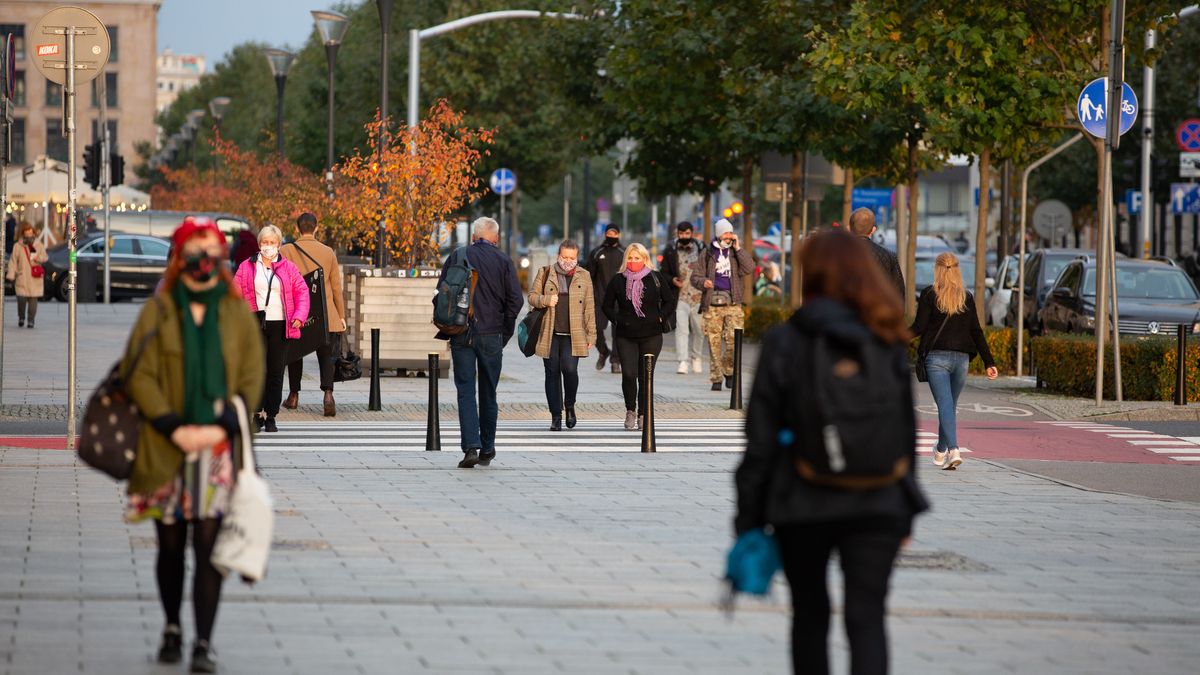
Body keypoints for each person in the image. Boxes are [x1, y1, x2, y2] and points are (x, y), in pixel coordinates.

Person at [734, 230, 928, 675]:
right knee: (867, 617)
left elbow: (760, 439)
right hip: (878, 498)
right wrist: (906, 504)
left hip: (803, 497)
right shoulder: (885, 336)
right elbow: (903, 428)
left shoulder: (785, 340)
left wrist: (749, 517)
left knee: (810, 615)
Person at [121, 217, 264, 673]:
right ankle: (171, 627)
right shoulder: (159, 309)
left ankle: (203, 640)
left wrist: (221, 425)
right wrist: (171, 425)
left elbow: (251, 374)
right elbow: (137, 371)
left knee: (207, 548)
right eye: (196, 253)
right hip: (166, 445)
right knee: (169, 546)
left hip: (217, 449)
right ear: (180, 257)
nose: (205, 263)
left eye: (213, 255)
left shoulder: (234, 310)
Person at [435, 217, 523, 469]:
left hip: (462, 331)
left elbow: (440, 292)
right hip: (491, 334)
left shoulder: (458, 256)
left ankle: (470, 446)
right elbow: (515, 301)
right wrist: (504, 332)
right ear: (495, 237)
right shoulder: (504, 261)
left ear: (474, 236)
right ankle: (488, 447)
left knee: (465, 390)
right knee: (488, 392)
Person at [910, 252, 998, 470]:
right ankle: (941, 450)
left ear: (937, 269)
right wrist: (989, 362)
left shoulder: (930, 295)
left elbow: (918, 328)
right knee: (948, 405)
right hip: (961, 360)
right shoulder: (965, 297)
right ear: (957, 269)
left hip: (936, 359)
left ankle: (954, 449)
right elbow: (976, 332)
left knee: (945, 405)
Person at [233, 224, 309, 433]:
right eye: (265, 243)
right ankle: (256, 414)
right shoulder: (246, 267)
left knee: (276, 371)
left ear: (279, 244)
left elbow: (302, 292)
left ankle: (271, 415)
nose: (268, 246)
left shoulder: (289, 268)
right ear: (259, 245)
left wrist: (299, 317)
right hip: (255, 323)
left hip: (281, 324)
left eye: (272, 243)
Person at [602, 243, 677, 431]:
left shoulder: (655, 278)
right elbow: (606, 305)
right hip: (626, 335)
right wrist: (618, 319)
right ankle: (630, 411)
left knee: (646, 376)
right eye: (630, 257)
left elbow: (670, 301)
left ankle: (644, 413)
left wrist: (660, 317)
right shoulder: (618, 280)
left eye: (637, 258)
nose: (633, 261)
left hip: (651, 335)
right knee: (629, 374)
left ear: (645, 259)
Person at [281, 212, 346, 417]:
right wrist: (341, 315)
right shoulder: (328, 252)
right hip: (325, 314)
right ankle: (328, 394)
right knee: (326, 355)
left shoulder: (286, 250)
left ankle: (293, 395)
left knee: (295, 354)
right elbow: (336, 288)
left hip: (298, 313)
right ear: (316, 228)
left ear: (297, 228)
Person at [527, 240, 597, 431]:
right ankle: (555, 416)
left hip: (573, 334)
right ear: (558, 255)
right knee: (551, 373)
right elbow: (531, 297)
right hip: (549, 332)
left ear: (577, 257)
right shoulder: (546, 272)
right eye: (564, 257)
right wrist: (546, 300)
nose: (568, 261)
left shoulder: (584, 275)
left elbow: (590, 307)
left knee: (570, 370)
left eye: (572, 258)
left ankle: (570, 406)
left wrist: (592, 334)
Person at [694, 218, 753, 391]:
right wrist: (703, 282)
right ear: (719, 234)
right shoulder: (707, 253)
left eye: (730, 232)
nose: (728, 236)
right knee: (714, 343)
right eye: (725, 233)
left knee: (734, 340)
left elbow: (749, 268)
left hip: (733, 302)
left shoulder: (736, 254)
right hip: (712, 304)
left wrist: (739, 248)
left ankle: (728, 370)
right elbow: (695, 277)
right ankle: (716, 378)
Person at [660, 222, 705, 374]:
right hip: (680, 297)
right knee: (681, 330)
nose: (684, 236)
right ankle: (683, 361)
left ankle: (696, 357)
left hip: (698, 297)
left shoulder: (701, 248)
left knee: (699, 330)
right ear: (677, 233)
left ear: (692, 233)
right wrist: (672, 279)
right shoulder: (671, 250)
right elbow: (663, 272)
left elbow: (709, 268)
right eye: (682, 234)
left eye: (687, 233)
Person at [586, 224, 626, 373]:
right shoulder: (597, 253)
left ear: (619, 235)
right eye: (609, 233)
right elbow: (589, 275)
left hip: (619, 300)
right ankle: (603, 351)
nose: (612, 236)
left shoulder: (624, 253)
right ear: (605, 234)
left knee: (618, 332)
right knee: (595, 329)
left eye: (615, 233)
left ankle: (616, 361)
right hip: (600, 299)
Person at [847, 207, 904, 301]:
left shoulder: (837, 255)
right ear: (873, 230)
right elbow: (898, 294)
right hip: (878, 312)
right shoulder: (890, 256)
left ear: (849, 228)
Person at [6, 222, 48, 329]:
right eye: (27, 232)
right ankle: (21, 317)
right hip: (22, 277)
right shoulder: (17, 246)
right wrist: (11, 274)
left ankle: (31, 320)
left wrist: (37, 258)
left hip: (35, 278)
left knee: (33, 302)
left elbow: (45, 258)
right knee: (21, 300)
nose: (29, 235)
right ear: (23, 233)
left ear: (33, 233)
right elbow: (13, 261)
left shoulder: (38, 245)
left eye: (31, 232)